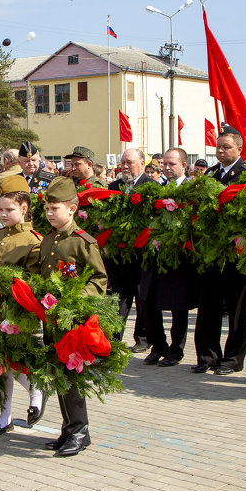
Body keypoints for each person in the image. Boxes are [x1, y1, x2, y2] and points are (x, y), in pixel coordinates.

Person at [37, 176, 107, 457]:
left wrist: (76, 298)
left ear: (72, 209)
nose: (50, 213)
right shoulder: (49, 240)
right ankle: (68, 428)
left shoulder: (83, 242)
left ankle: (80, 430)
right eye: (47, 208)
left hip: (73, 321)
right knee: (58, 373)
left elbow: (99, 280)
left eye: (55, 208)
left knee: (72, 375)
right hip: (51, 319)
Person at [0, 174, 44, 437]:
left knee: (17, 360)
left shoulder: (34, 240)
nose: (2, 215)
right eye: (0, 210)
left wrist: (6, 286)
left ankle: (36, 391)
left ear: (24, 209)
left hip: (18, 310)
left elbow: (34, 279)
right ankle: (5, 416)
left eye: (9, 210)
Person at [192, 131, 246, 375]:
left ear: (239, 149)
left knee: (237, 307)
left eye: (226, 147)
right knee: (208, 304)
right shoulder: (211, 174)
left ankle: (232, 358)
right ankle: (208, 355)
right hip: (211, 250)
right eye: (218, 147)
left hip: (238, 250)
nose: (220, 151)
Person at [143, 148, 195, 367]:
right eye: (164, 164)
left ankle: (176, 350)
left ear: (184, 165)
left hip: (180, 256)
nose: (166, 168)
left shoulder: (191, 190)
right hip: (157, 255)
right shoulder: (159, 188)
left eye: (171, 164)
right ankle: (158, 346)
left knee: (178, 306)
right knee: (150, 301)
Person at [106, 147, 156, 351]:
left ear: (142, 164)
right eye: (123, 162)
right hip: (118, 253)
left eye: (130, 162)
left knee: (142, 299)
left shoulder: (151, 186)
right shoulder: (114, 186)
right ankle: (113, 338)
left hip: (141, 253)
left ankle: (143, 338)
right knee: (118, 298)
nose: (125, 166)